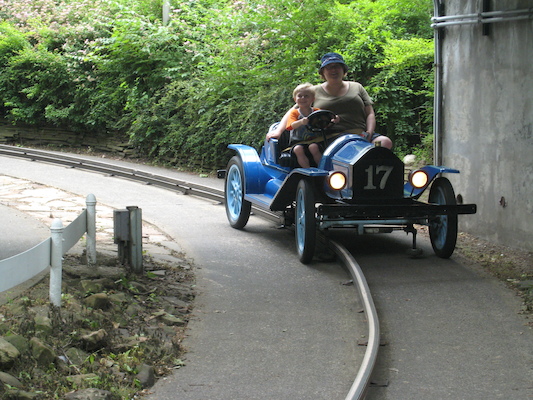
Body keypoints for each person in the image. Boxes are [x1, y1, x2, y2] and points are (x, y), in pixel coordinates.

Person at [313, 52, 392, 148]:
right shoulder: (313, 91)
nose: (334, 70)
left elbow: (370, 113)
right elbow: (296, 111)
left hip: (361, 135)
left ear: (343, 70)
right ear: (323, 72)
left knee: (383, 143)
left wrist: (369, 133)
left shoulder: (357, 87)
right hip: (329, 139)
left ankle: (371, 160)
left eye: (337, 66)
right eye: (329, 67)